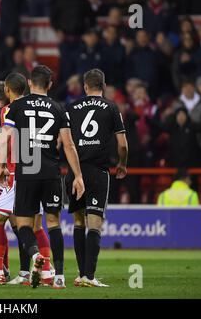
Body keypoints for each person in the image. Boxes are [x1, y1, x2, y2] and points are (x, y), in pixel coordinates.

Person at [0, 65, 85, 289]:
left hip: (26, 172)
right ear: (50, 84)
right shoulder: (58, 108)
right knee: (53, 223)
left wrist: (1, 166)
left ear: (29, 83)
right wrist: (78, 176)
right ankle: (59, 277)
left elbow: (5, 137)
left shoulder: (16, 107)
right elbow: (68, 144)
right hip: (51, 173)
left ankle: (36, 254)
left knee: (24, 223)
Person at [0, 72, 54, 286]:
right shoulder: (39, 108)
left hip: (13, 173)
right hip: (38, 172)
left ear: (8, 90)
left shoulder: (8, 111)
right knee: (36, 225)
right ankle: (47, 272)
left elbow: (6, 143)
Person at [65, 68, 128, 287]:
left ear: (85, 86)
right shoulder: (111, 107)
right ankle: (89, 276)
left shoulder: (72, 107)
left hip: (75, 172)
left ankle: (81, 274)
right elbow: (122, 144)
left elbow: (61, 141)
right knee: (95, 224)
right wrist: (122, 164)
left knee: (78, 221)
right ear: (104, 85)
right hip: (98, 171)